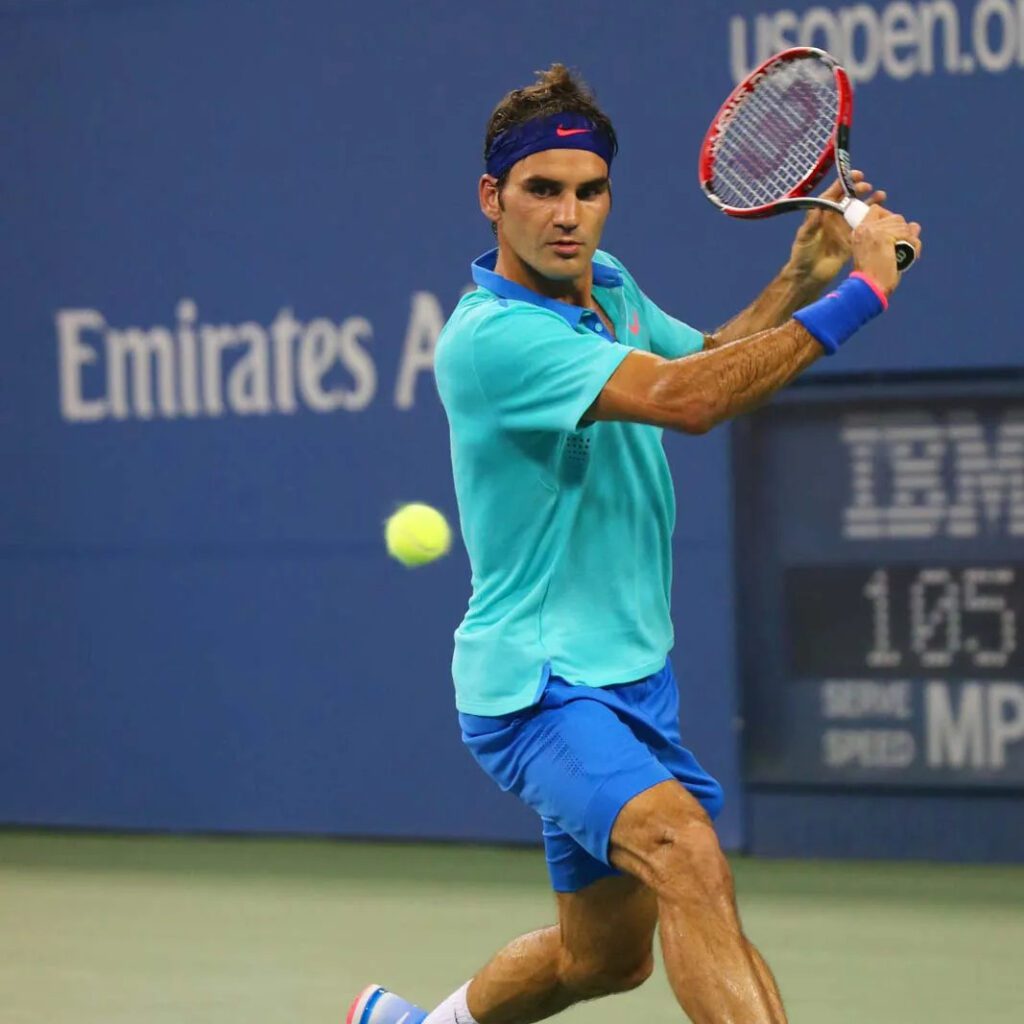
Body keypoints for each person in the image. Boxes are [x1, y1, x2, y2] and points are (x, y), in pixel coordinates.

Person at [346, 64, 921, 1024]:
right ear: (493, 199)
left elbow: (696, 365)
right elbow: (687, 404)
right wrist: (866, 289)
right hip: (537, 687)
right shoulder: (491, 339)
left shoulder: (606, 286)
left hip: (631, 678)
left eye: (588, 191)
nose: (567, 216)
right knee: (685, 852)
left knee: (604, 960)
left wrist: (800, 279)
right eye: (540, 191)